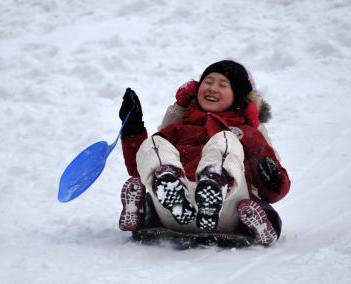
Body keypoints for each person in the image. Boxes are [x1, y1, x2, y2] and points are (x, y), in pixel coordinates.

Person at [118, 60, 290, 246]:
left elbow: (275, 193)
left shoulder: (247, 133)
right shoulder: (179, 127)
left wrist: (273, 179)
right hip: (174, 211)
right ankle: (169, 185)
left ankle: (214, 183)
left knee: (225, 139)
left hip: (225, 209)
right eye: (207, 82)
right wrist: (132, 129)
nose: (212, 88)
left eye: (222, 84)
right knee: (156, 142)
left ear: (238, 96)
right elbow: (141, 167)